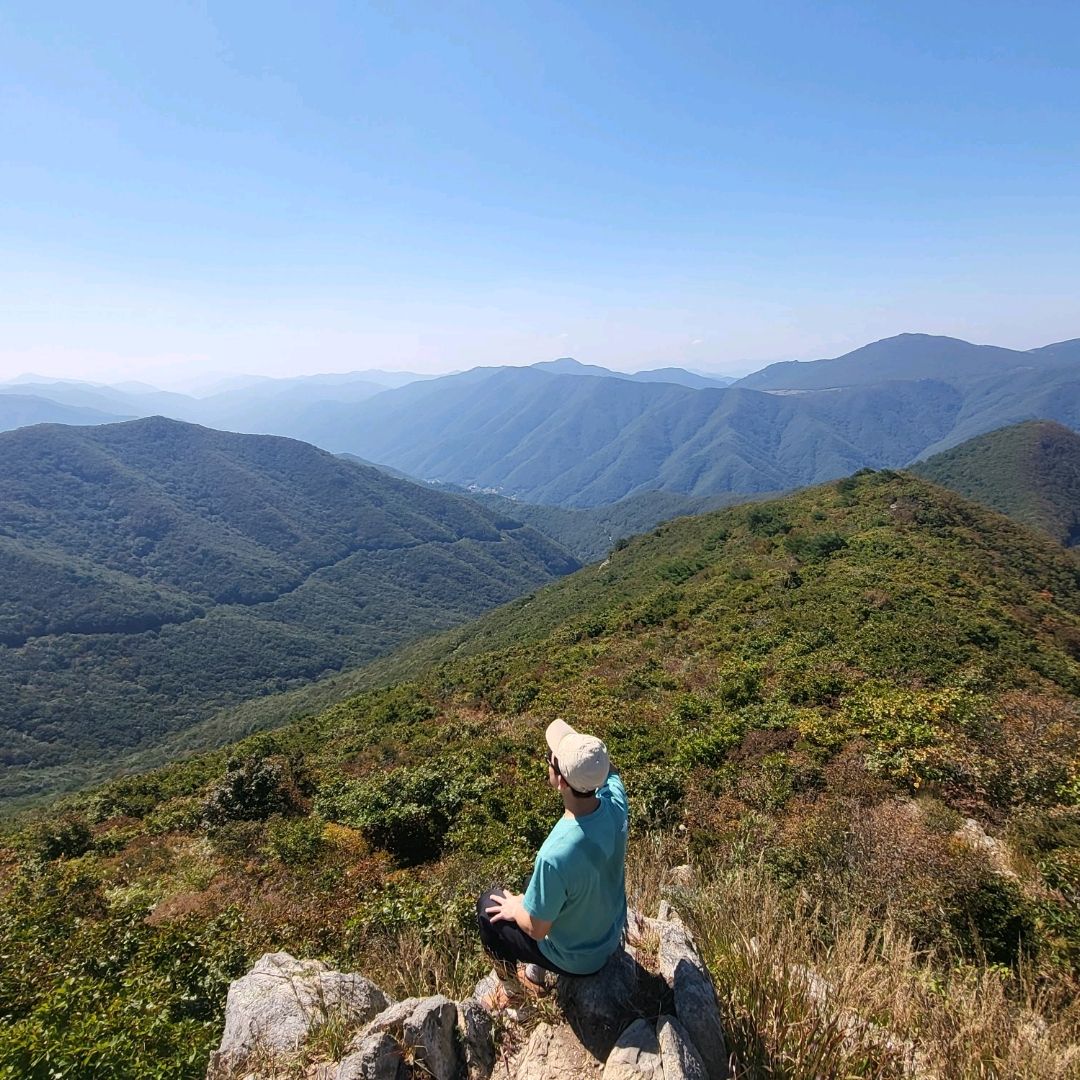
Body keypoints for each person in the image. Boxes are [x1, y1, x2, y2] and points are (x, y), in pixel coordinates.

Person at [476, 718, 629, 991]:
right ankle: (535, 969)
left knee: (489, 909)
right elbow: (612, 772)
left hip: (580, 960)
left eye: (550, 758)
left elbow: (536, 929)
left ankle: (514, 996)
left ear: (560, 781)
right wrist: (589, 755)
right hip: (610, 933)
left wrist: (516, 908)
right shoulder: (616, 804)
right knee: (531, 886)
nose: (547, 760)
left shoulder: (555, 854)